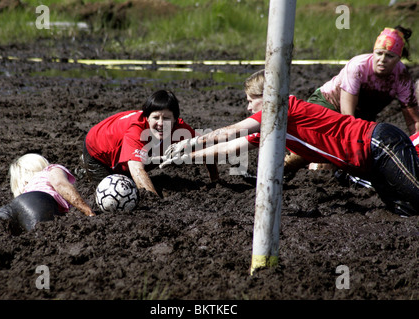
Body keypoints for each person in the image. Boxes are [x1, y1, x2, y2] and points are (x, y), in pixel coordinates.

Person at [161, 70, 419, 217]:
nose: (248, 107)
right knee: (404, 209)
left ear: (268, 97)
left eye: (251, 100)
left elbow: (233, 131)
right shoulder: (273, 128)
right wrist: (184, 157)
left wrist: (191, 142)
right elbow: (230, 147)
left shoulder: (283, 107)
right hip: (368, 163)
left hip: (379, 143)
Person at [83, 89, 218, 197]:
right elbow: (137, 169)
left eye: (166, 118)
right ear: (146, 118)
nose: (160, 123)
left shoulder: (181, 129)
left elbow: (205, 148)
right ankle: (85, 168)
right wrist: (153, 200)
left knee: (144, 163)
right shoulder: (136, 130)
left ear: (175, 120)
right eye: (155, 118)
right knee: (115, 192)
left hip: (135, 151)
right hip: (98, 151)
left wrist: (215, 181)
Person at [308, 25, 419, 133]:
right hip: (328, 104)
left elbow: (413, 122)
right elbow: (347, 115)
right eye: (379, 53)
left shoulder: (402, 76)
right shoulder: (358, 67)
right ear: (373, 52)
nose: (382, 59)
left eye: (390, 56)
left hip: (362, 115)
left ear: (398, 59)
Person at [0, 153, 95, 233]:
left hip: (9, 208)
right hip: (39, 202)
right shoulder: (51, 169)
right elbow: (60, 183)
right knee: (44, 235)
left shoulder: (27, 187)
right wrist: (88, 211)